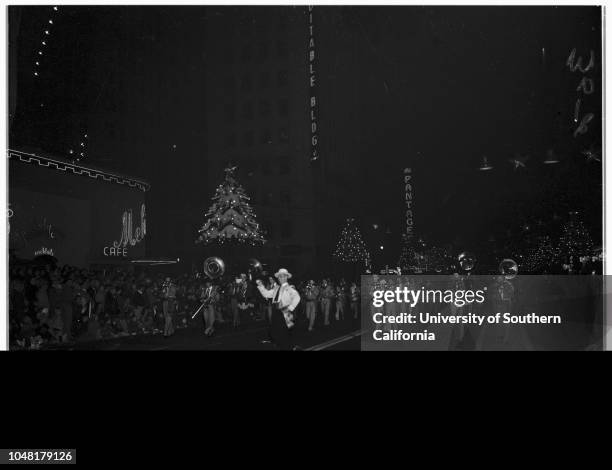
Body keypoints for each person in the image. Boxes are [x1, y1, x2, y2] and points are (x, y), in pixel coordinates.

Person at [255, 268, 301, 350]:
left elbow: (297, 297)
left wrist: (290, 308)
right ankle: (283, 346)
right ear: (278, 278)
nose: (281, 278)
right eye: (280, 277)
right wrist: (260, 285)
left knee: (285, 333)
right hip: (275, 311)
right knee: (275, 332)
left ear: (287, 277)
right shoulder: (276, 288)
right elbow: (266, 294)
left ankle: (288, 347)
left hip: (284, 312)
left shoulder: (290, 287)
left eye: (283, 276)